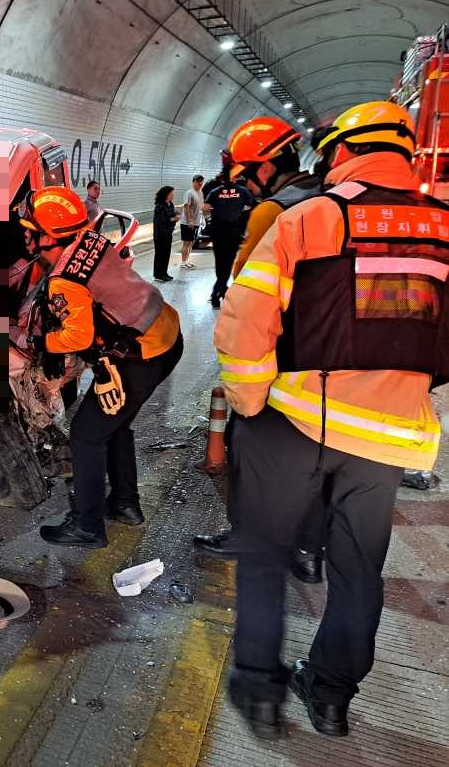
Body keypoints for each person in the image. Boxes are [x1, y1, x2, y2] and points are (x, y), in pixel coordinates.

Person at [215, 100, 446, 740]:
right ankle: (331, 695)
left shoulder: (311, 217)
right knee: (357, 569)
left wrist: (250, 403)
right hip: (385, 437)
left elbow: (245, 320)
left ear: (342, 152)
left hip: (296, 419)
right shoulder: (444, 226)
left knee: (264, 555)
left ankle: (259, 691)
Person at [193, 115, 332, 583]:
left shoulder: (273, 211)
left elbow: (248, 288)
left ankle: (249, 535)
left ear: (267, 167)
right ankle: (308, 552)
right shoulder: (329, 197)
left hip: (281, 351)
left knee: (248, 448)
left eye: (248, 175)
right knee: (318, 459)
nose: (246, 185)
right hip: (325, 352)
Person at [17, 186, 183, 548]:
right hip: (165, 333)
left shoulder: (64, 279)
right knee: (114, 425)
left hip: (141, 354)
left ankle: (87, 526)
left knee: (86, 434)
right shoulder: (90, 239)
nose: (25, 236)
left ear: (49, 237)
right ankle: (124, 504)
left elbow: (77, 336)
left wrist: (38, 341)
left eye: (30, 230)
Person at [203, 156, 254, 308]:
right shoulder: (242, 191)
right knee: (228, 263)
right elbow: (252, 205)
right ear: (234, 177)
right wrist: (239, 210)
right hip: (233, 232)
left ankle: (221, 289)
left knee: (220, 263)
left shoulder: (215, 191)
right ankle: (217, 292)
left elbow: (205, 208)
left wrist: (213, 215)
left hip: (217, 233)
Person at [152, 186, 178, 282]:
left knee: (166, 254)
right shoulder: (160, 206)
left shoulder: (170, 204)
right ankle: (158, 275)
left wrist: (176, 216)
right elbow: (162, 220)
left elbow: (172, 215)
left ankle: (164, 273)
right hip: (160, 234)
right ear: (166, 195)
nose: (173, 195)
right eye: (171, 193)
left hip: (168, 233)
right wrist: (173, 219)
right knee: (160, 254)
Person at [179, 175, 204, 268]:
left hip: (196, 222)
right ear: (194, 182)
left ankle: (186, 261)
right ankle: (183, 262)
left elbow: (200, 207)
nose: (200, 184)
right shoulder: (189, 193)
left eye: (201, 182)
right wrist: (190, 220)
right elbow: (186, 207)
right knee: (186, 243)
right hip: (187, 223)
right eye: (198, 182)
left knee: (191, 243)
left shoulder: (200, 193)